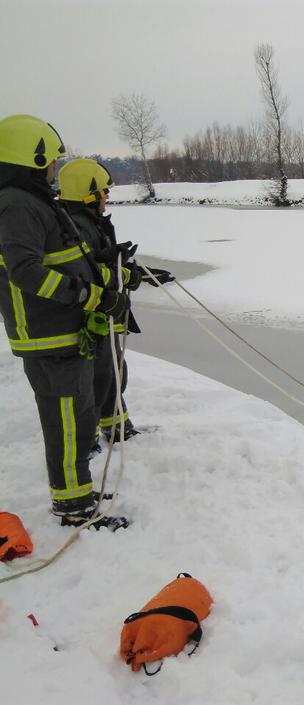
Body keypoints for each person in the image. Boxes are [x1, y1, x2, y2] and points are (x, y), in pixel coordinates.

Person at [0, 115, 129, 530]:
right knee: (68, 424)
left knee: (80, 415)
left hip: (64, 332)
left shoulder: (31, 201)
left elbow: (68, 260)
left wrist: (108, 282)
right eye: (50, 162)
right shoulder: (16, 204)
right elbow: (25, 270)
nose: (55, 169)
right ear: (32, 158)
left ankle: (78, 490)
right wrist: (89, 295)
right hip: (48, 336)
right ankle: (73, 507)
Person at [57, 158, 173, 444]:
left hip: (102, 314)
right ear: (90, 193)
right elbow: (88, 272)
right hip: (90, 316)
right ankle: (91, 439)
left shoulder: (86, 223)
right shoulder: (77, 227)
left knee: (111, 373)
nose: (108, 197)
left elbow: (97, 263)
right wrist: (123, 274)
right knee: (99, 377)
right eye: (104, 192)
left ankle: (118, 427)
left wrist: (129, 270)